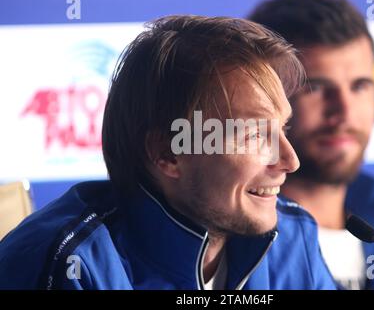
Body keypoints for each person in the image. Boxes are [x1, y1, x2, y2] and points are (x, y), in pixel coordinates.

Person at [0, 15, 336, 289]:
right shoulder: (71, 265)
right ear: (168, 153)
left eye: (283, 129)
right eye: (253, 135)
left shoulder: (292, 237)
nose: (290, 160)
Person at [249, 0, 374, 290]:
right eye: (315, 87)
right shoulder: (231, 256)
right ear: (262, 99)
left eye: (359, 86)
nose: (343, 112)